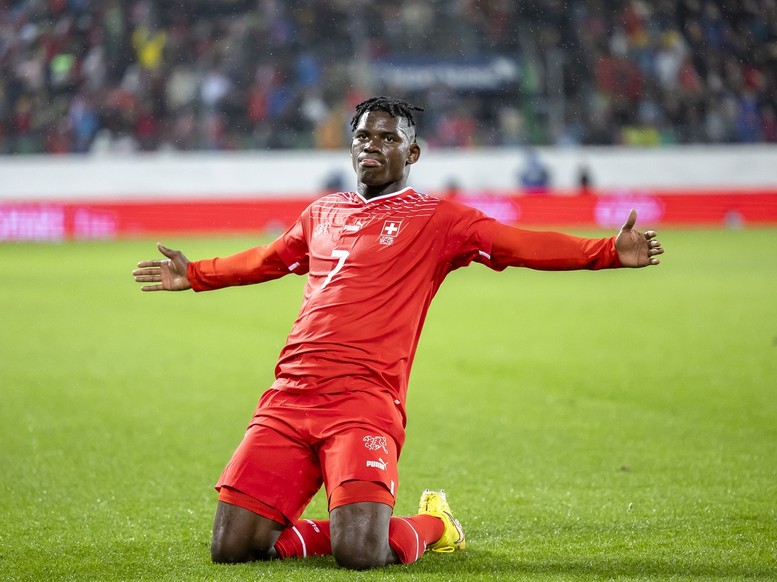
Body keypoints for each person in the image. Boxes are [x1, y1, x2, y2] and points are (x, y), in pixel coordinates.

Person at [131, 96, 664, 570]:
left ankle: (436, 525)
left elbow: (518, 243)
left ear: (412, 154)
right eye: (364, 135)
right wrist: (195, 273)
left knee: (362, 554)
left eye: (389, 138)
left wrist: (607, 252)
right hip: (289, 398)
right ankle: (329, 527)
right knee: (231, 547)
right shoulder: (322, 213)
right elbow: (267, 259)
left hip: (364, 401)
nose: (373, 145)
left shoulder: (439, 221)